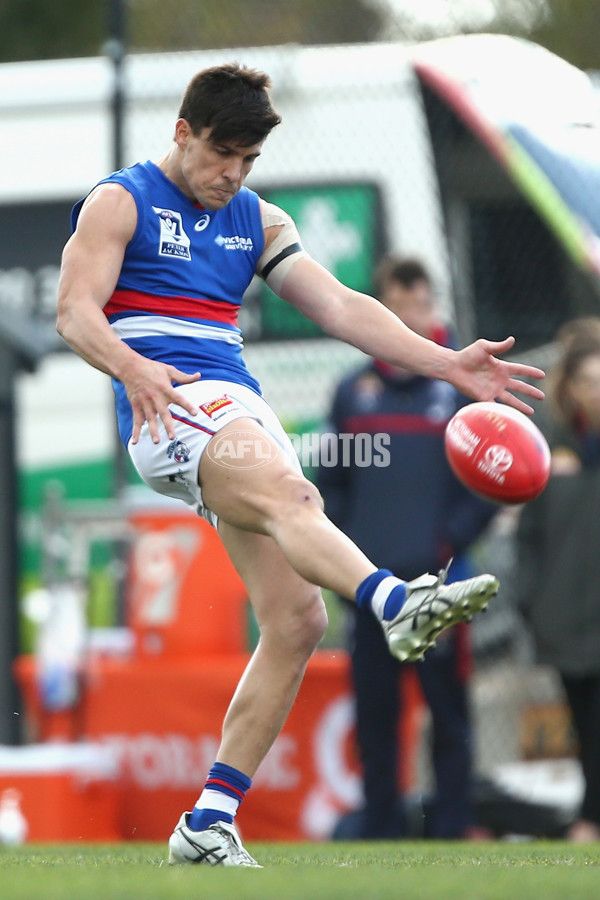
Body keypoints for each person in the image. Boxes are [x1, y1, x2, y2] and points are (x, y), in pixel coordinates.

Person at [56, 62, 544, 866]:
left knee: (298, 619)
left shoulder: (258, 218)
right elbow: (75, 311)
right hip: (170, 404)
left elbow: (344, 307)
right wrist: (130, 366)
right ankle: (395, 602)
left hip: (234, 404)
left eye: (248, 160)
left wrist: (448, 364)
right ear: (183, 133)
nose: (232, 175)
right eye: (222, 155)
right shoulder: (122, 200)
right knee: (294, 493)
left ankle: (209, 821)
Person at [318, 257, 497, 839]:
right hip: (370, 589)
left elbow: (490, 481)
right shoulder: (353, 393)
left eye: (420, 302)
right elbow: (332, 485)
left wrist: (446, 543)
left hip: (440, 589)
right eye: (399, 304)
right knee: (375, 717)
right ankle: (381, 829)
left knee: (448, 715)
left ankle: (451, 826)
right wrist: (348, 560)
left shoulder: (460, 388)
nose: (412, 315)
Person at [517, 323, 600, 843]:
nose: (595, 390)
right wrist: (534, 604)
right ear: (569, 386)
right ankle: (590, 816)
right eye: (587, 380)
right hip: (568, 622)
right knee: (586, 722)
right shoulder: (548, 451)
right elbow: (530, 539)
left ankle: (590, 817)